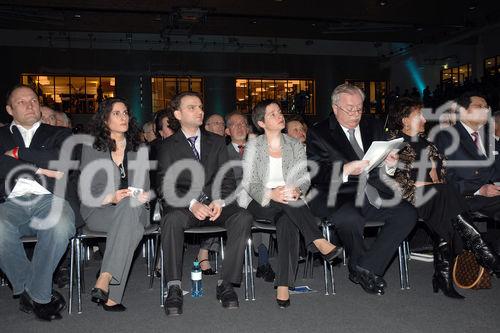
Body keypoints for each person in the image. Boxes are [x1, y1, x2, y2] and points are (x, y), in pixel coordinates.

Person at [307, 83, 417, 295]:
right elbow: (316, 172)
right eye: (350, 108)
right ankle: (364, 268)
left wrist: (390, 164)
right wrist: (345, 169)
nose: (356, 113)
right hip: (337, 194)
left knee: (407, 213)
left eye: (359, 108)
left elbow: (382, 166)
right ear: (335, 107)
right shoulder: (319, 132)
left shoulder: (373, 125)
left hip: (372, 191)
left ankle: (366, 267)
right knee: (349, 218)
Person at [387, 97, 500, 298]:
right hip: (408, 199)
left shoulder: (429, 145)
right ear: (405, 120)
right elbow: (399, 183)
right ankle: (483, 251)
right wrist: (430, 186)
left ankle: (444, 275)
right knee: (445, 195)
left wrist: (433, 184)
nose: (424, 118)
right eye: (419, 115)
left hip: (435, 197)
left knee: (444, 200)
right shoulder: (393, 144)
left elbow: (440, 176)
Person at [157, 92, 252, 316]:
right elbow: (164, 186)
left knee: (243, 216)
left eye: (200, 106)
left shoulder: (217, 141)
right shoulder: (168, 146)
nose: (199, 111)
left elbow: (227, 180)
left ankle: (226, 283)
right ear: (178, 114)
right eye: (192, 108)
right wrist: (191, 203)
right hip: (185, 206)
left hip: (215, 205)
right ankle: (173, 287)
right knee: (170, 220)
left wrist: (219, 200)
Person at [242, 99, 342, 308]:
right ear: (261, 123)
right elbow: (250, 182)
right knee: (288, 204)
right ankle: (317, 240)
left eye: (279, 112)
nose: (280, 116)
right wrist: (272, 193)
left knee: (286, 220)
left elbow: (304, 178)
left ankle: (283, 286)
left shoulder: (294, 144)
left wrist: (298, 190)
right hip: (260, 199)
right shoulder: (253, 146)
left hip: (288, 201)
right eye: (273, 114)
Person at [0, 84, 75, 321]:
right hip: (10, 202)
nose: (30, 105)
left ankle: (33, 294)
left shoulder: (59, 133)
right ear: (9, 109)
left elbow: (63, 160)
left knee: (61, 225)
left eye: (33, 100)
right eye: (21, 102)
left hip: (50, 198)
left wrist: (16, 154)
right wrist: (39, 167)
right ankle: (38, 293)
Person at [79, 98, 151, 312]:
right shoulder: (91, 147)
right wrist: (111, 197)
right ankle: (112, 294)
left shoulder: (139, 148)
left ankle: (105, 275)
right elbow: (86, 190)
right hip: (100, 209)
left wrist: (136, 196)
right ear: (104, 119)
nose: (124, 117)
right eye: (117, 113)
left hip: (135, 208)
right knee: (132, 228)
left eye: (126, 112)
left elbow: (144, 185)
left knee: (129, 208)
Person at [434, 92, 500, 276]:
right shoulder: (447, 137)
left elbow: (495, 169)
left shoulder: (488, 137)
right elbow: (444, 180)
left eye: (487, 107)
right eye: (480, 106)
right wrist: (480, 189)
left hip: (491, 194)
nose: (486, 110)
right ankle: (488, 256)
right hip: (463, 198)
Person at [226, 111, 275, 282]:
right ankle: (263, 261)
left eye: (243, 124)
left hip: (258, 195)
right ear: (227, 131)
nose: (240, 127)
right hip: (234, 199)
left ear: (248, 128)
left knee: (264, 203)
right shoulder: (221, 153)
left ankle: (263, 262)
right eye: (234, 124)